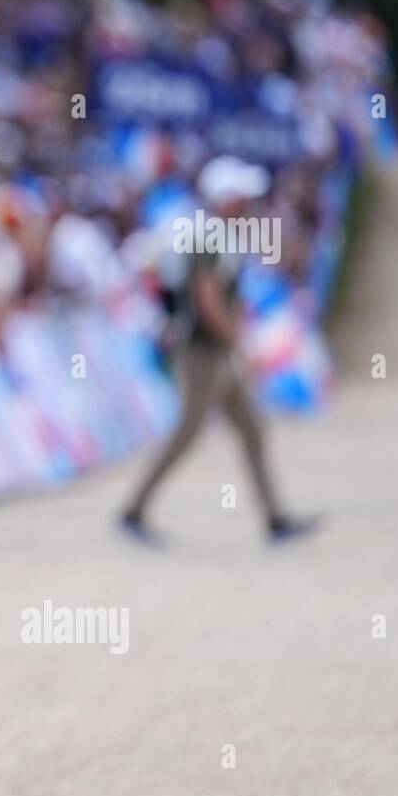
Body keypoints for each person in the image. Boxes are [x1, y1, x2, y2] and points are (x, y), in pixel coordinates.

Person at [120, 156, 317, 544]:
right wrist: (239, 343)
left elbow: (221, 296)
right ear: (227, 198)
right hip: (202, 353)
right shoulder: (212, 236)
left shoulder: (217, 234)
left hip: (212, 352)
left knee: (251, 430)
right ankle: (133, 509)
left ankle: (275, 518)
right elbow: (208, 298)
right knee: (189, 432)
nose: (248, 202)